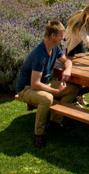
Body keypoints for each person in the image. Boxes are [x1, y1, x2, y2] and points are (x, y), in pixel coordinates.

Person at [15, 20, 79, 148]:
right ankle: (38, 134)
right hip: (26, 89)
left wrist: (67, 69)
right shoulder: (40, 54)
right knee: (47, 98)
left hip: (44, 83)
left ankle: (55, 123)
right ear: (53, 36)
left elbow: (67, 61)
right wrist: (56, 92)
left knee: (73, 88)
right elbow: (35, 84)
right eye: (61, 35)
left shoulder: (55, 48)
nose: (63, 38)